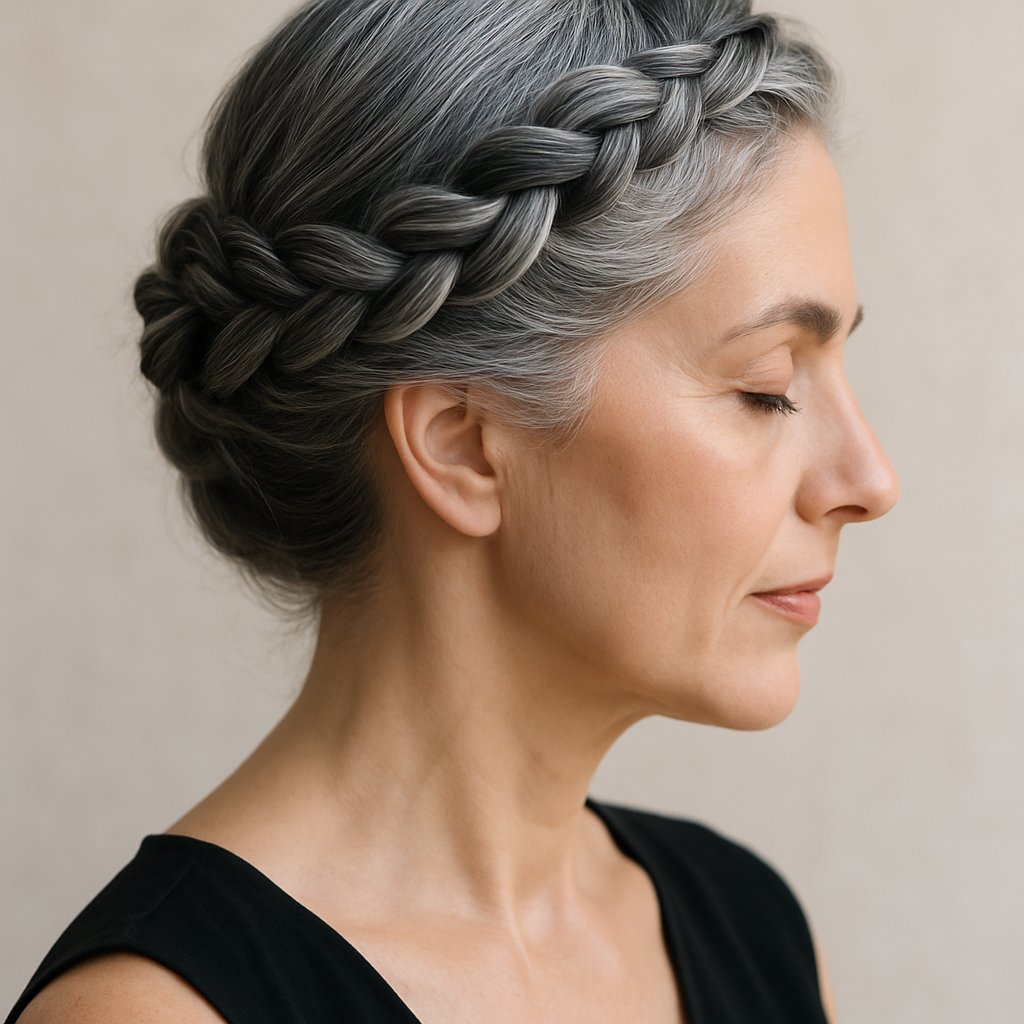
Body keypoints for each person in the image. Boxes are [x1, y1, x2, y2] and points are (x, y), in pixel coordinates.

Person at [7, 0, 899, 1021]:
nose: (869, 479)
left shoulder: (753, 931)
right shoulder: (158, 1014)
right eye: (767, 385)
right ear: (461, 443)